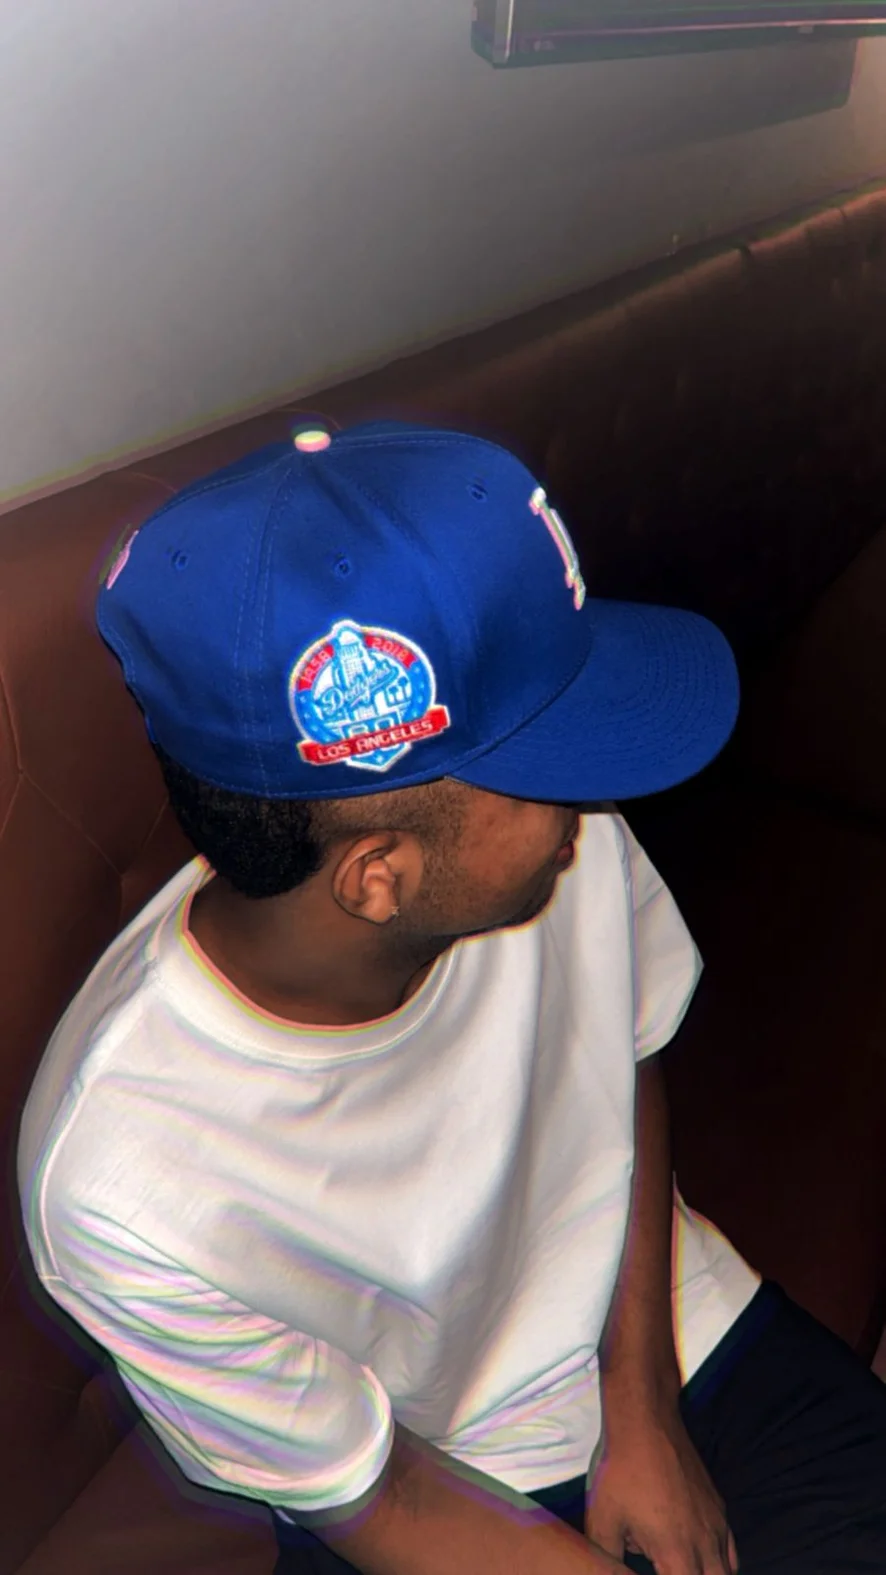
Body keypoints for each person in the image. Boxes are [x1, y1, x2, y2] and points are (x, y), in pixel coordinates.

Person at [17, 419, 886, 1575]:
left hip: (669, 1331)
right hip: (427, 1479)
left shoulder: (558, 835)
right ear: (379, 876)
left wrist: (641, 1407)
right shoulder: (122, 1187)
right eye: (544, 767)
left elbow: (619, 1054)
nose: (588, 789)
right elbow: (377, 1497)